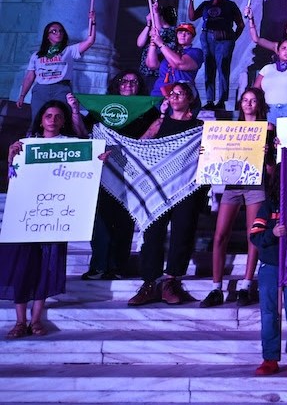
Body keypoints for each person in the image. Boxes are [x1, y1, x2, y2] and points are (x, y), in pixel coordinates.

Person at [2, 101, 76, 337]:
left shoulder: (71, 146)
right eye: (48, 116)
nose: (53, 120)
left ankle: (35, 321)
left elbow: (84, 174)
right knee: (22, 268)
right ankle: (19, 322)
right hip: (25, 216)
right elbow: (13, 180)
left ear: (64, 121)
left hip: (54, 216)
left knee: (46, 267)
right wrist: (11, 158)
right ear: (41, 120)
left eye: (58, 116)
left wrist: (98, 160)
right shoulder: (26, 145)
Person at [128, 82, 206, 306]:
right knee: (153, 233)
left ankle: (171, 282)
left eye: (180, 94)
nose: (175, 97)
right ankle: (149, 283)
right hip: (158, 187)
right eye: (172, 94)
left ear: (190, 99)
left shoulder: (199, 127)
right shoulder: (159, 123)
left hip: (187, 187)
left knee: (183, 232)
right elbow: (140, 147)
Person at [77, 72, 151, 281]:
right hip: (104, 170)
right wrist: (74, 111)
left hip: (132, 172)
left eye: (133, 81)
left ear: (140, 86)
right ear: (116, 85)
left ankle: (118, 267)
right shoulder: (103, 106)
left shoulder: (148, 109)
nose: (128, 85)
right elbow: (83, 132)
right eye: (123, 81)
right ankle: (98, 266)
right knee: (100, 219)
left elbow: (157, 132)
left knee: (124, 220)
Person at [200, 88, 269, 308]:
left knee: (253, 235)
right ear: (240, 104)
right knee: (220, 235)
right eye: (245, 100)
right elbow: (217, 156)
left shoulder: (267, 129)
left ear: (259, 104)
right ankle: (216, 287)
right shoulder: (230, 129)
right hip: (232, 185)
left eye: (253, 100)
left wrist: (268, 153)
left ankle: (246, 285)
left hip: (255, 185)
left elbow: (271, 169)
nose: (248, 104)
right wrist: (207, 153)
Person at [250, 155, 287, 376]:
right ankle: (270, 359)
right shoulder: (268, 206)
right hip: (270, 266)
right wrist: (272, 233)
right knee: (269, 313)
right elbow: (255, 236)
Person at [16, 16, 97, 115]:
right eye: (54, 31)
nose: (58, 33)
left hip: (61, 89)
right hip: (41, 89)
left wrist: (93, 22)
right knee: (38, 117)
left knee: (62, 116)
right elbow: (29, 77)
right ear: (47, 36)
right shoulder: (36, 55)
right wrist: (22, 95)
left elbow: (90, 41)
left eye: (60, 31)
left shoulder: (69, 50)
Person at [188, 0, 245, 111]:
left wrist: (232, 39)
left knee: (223, 68)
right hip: (207, 38)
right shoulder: (206, 4)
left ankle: (222, 100)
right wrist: (191, 0)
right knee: (209, 68)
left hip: (224, 39)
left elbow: (241, 24)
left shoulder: (230, 5)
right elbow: (192, 17)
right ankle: (209, 100)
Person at [147, 22, 203, 97]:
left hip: (180, 95)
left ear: (192, 38)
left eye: (188, 33)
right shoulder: (168, 51)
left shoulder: (196, 52)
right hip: (159, 94)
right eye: (180, 32)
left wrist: (160, 43)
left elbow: (179, 64)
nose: (183, 35)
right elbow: (152, 65)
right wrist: (153, 42)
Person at [136, 2, 178, 82]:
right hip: (145, 72)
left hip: (159, 74)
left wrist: (155, 13)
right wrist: (148, 24)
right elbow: (140, 43)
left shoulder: (173, 31)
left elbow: (159, 33)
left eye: (156, 16)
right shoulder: (153, 30)